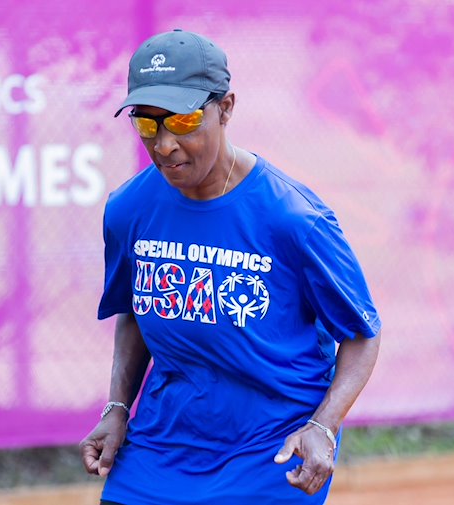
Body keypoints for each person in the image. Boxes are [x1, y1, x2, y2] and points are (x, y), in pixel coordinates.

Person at [79, 29, 382, 505]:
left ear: (226, 108)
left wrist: (323, 426)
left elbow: (362, 334)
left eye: (182, 121)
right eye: (147, 124)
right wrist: (117, 408)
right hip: (162, 446)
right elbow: (135, 312)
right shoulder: (128, 211)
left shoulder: (294, 219)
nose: (162, 145)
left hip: (270, 452)